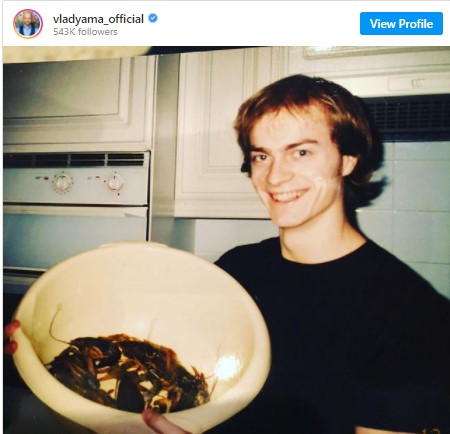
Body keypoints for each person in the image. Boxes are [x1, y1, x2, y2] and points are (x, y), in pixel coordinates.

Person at [5, 75, 450, 434]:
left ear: (348, 159)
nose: (275, 177)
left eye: (300, 151)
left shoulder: (410, 314)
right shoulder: (240, 267)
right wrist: (38, 349)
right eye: (261, 156)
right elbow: (158, 346)